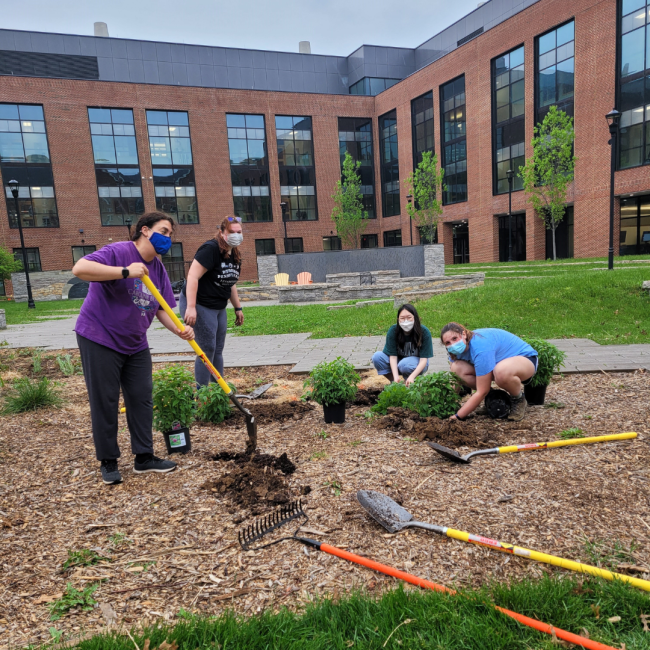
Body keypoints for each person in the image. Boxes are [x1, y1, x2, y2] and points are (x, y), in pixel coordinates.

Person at [73, 212, 195, 485]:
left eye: (171, 234)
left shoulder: (159, 269)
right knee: (105, 400)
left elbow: (163, 308)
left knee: (141, 398)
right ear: (144, 231)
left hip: (135, 342)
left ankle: (144, 457)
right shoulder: (119, 251)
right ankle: (108, 461)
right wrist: (126, 271)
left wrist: (180, 330)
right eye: (163, 231)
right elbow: (80, 269)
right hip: (99, 336)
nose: (168, 237)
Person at [180, 216, 244, 387]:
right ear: (222, 232)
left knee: (218, 350)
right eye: (232, 232)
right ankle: (202, 394)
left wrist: (238, 307)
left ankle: (218, 392)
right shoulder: (210, 249)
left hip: (218, 306)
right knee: (206, 350)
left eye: (239, 232)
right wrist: (191, 307)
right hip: (200, 303)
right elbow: (192, 276)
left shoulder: (234, 253)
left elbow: (230, 282)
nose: (236, 235)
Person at [440, 323, 538, 422]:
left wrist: (458, 416)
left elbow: (482, 391)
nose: (452, 344)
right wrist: (448, 404)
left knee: (501, 372)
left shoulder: (480, 348)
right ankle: (493, 398)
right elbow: (456, 380)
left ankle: (518, 399)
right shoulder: (455, 352)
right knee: (456, 368)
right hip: (496, 364)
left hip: (525, 360)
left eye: (454, 338)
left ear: (464, 334)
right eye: (447, 343)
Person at [371, 304, 433, 386]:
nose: (406, 321)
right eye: (402, 318)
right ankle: (396, 383)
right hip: (398, 363)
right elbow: (392, 357)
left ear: (415, 317)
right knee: (377, 357)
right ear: (398, 319)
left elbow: (423, 360)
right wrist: (395, 377)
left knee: (405, 364)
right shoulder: (393, 331)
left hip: (416, 364)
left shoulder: (424, 332)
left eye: (409, 317)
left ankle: (412, 382)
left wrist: (412, 376)